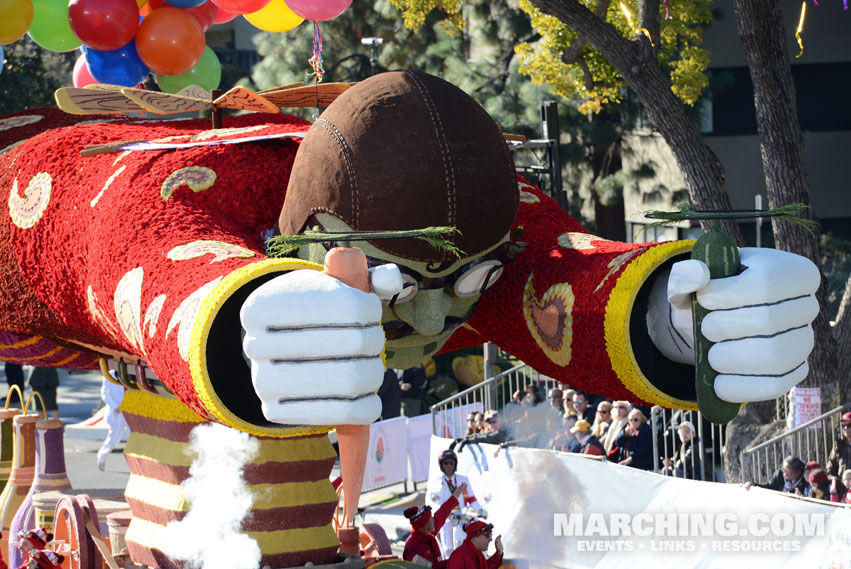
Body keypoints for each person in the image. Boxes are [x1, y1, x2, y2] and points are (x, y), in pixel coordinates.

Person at [0, 70, 821, 566]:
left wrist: (675, 314)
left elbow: (557, 268)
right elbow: (123, 244)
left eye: (457, 282)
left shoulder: (485, 216)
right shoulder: (164, 189)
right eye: (402, 278)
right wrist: (230, 318)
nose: (428, 310)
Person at [428, 450, 485, 556]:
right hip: (446, 519)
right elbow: (433, 502)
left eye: (452, 463)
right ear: (441, 465)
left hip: (462, 517)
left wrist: (481, 510)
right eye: (446, 463)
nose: (449, 465)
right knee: (448, 548)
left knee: (469, 542)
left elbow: (472, 499)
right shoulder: (436, 481)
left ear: (455, 464)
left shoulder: (463, 480)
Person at [403, 481, 468, 568]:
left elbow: (443, 512)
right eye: (431, 518)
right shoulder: (413, 546)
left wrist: (457, 493)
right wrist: (455, 560)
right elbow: (432, 567)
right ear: (424, 525)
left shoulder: (426, 534)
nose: (434, 519)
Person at [97, 375, 130, 471]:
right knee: (114, 438)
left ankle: (135, 464)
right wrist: (116, 406)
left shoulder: (127, 372)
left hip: (129, 410)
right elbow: (105, 394)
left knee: (132, 437)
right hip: (117, 413)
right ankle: (101, 457)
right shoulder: (109, 375)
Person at [745, 456, 809, 494]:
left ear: (798, 473)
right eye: (784, 471)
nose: (784, 475)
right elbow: (769, 486)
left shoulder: (806, 478)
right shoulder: (780, 474)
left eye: (788, 474)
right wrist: (754, 484)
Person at [827, 412, 851, 500]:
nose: (846, 428)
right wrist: (834, 481)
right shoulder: (838, 445)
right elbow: (830, 467)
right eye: (843, 425)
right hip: (841, 488)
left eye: (849, 425)